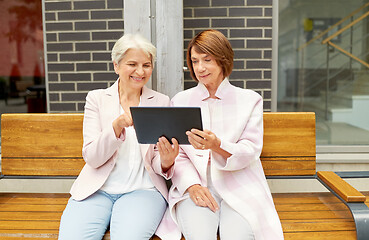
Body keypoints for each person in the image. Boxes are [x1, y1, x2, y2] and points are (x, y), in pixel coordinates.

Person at [58, 34, 180, 240]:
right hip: (96, 190)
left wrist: (167, 162)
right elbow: (92, 157)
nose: (140, 72)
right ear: (116, 65)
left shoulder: (160, 101)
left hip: (143, 191)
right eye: (132, 64)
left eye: (146, 65)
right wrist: (116, 126)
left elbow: (158, 161)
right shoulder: (97, 99)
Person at [168, 29, 284, 240]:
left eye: (207, 60)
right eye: (194, 61)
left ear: (223, 60)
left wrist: (216, 144)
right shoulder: (180, 101)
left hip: (241, 185)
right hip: (197, 186)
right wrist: (191, 185)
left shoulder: (250, 100)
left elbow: (250, 150)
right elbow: (179, 155)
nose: (200, 68)